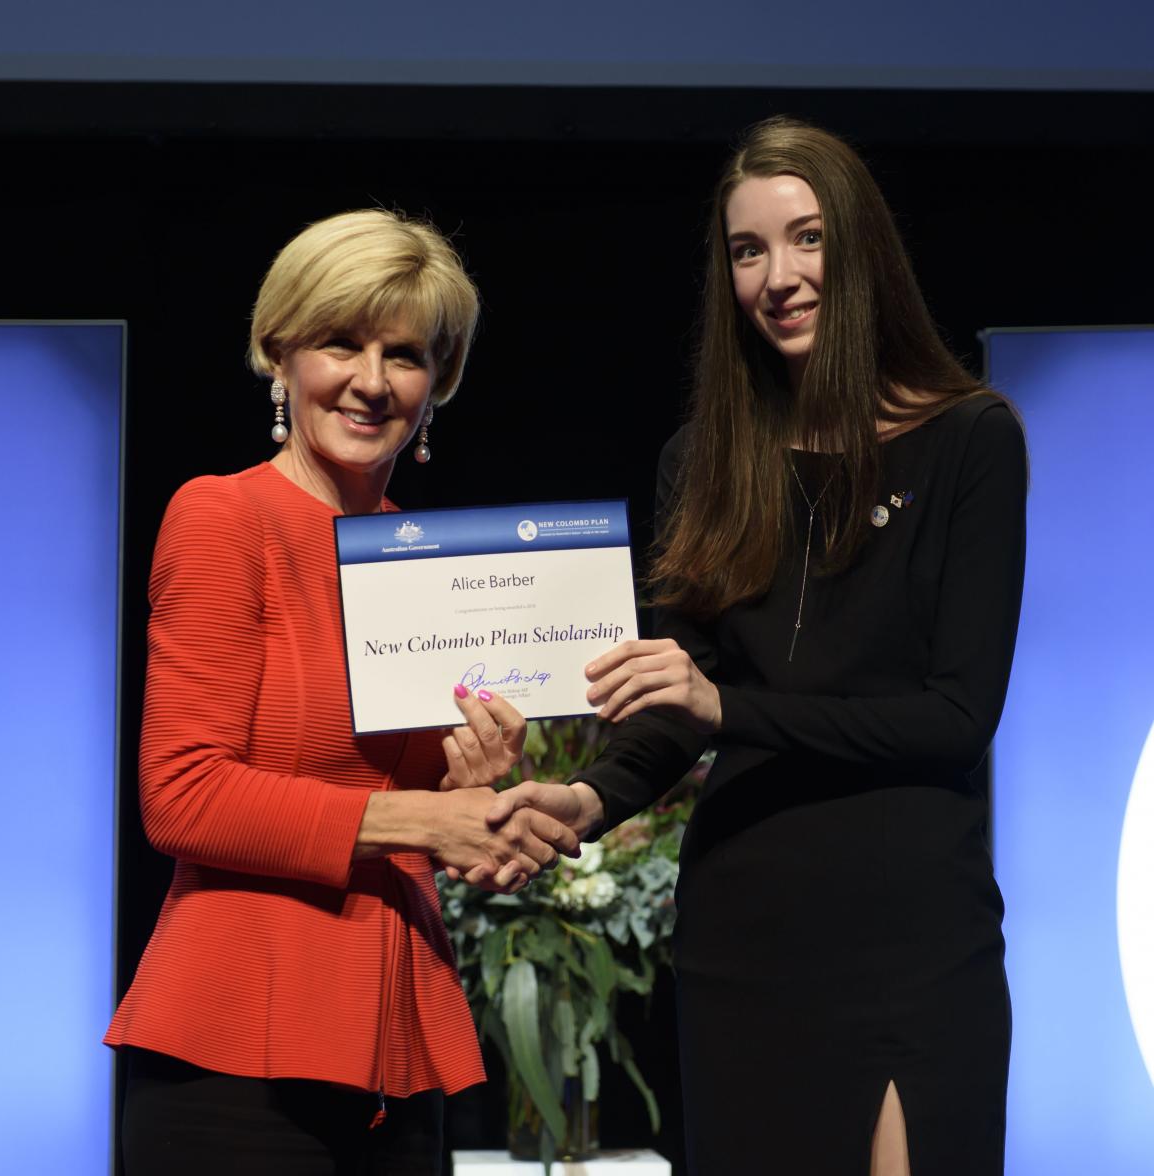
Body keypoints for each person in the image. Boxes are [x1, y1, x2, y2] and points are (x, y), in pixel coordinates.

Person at [488, 117, 1027, 1175]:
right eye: (748, 251)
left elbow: (954, 719)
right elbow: (668, 702)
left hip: (910, 937)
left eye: (807, 238)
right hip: (745, 939)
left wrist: (724, 710)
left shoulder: (973, 440)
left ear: (861, 248)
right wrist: (589, 801)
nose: (778, 277)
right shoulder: (703, 460)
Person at [105, 208, 579, 1175]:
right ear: (280, 355)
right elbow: (181, 795)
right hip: (236, 1060)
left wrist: (478, 805)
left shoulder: (426, 562)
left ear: (438, 382)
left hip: (394, 1055)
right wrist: (423, 821)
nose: (371, 381)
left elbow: (425, 829)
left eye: (404, 354)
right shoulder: (221, 516)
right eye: (339, 343)